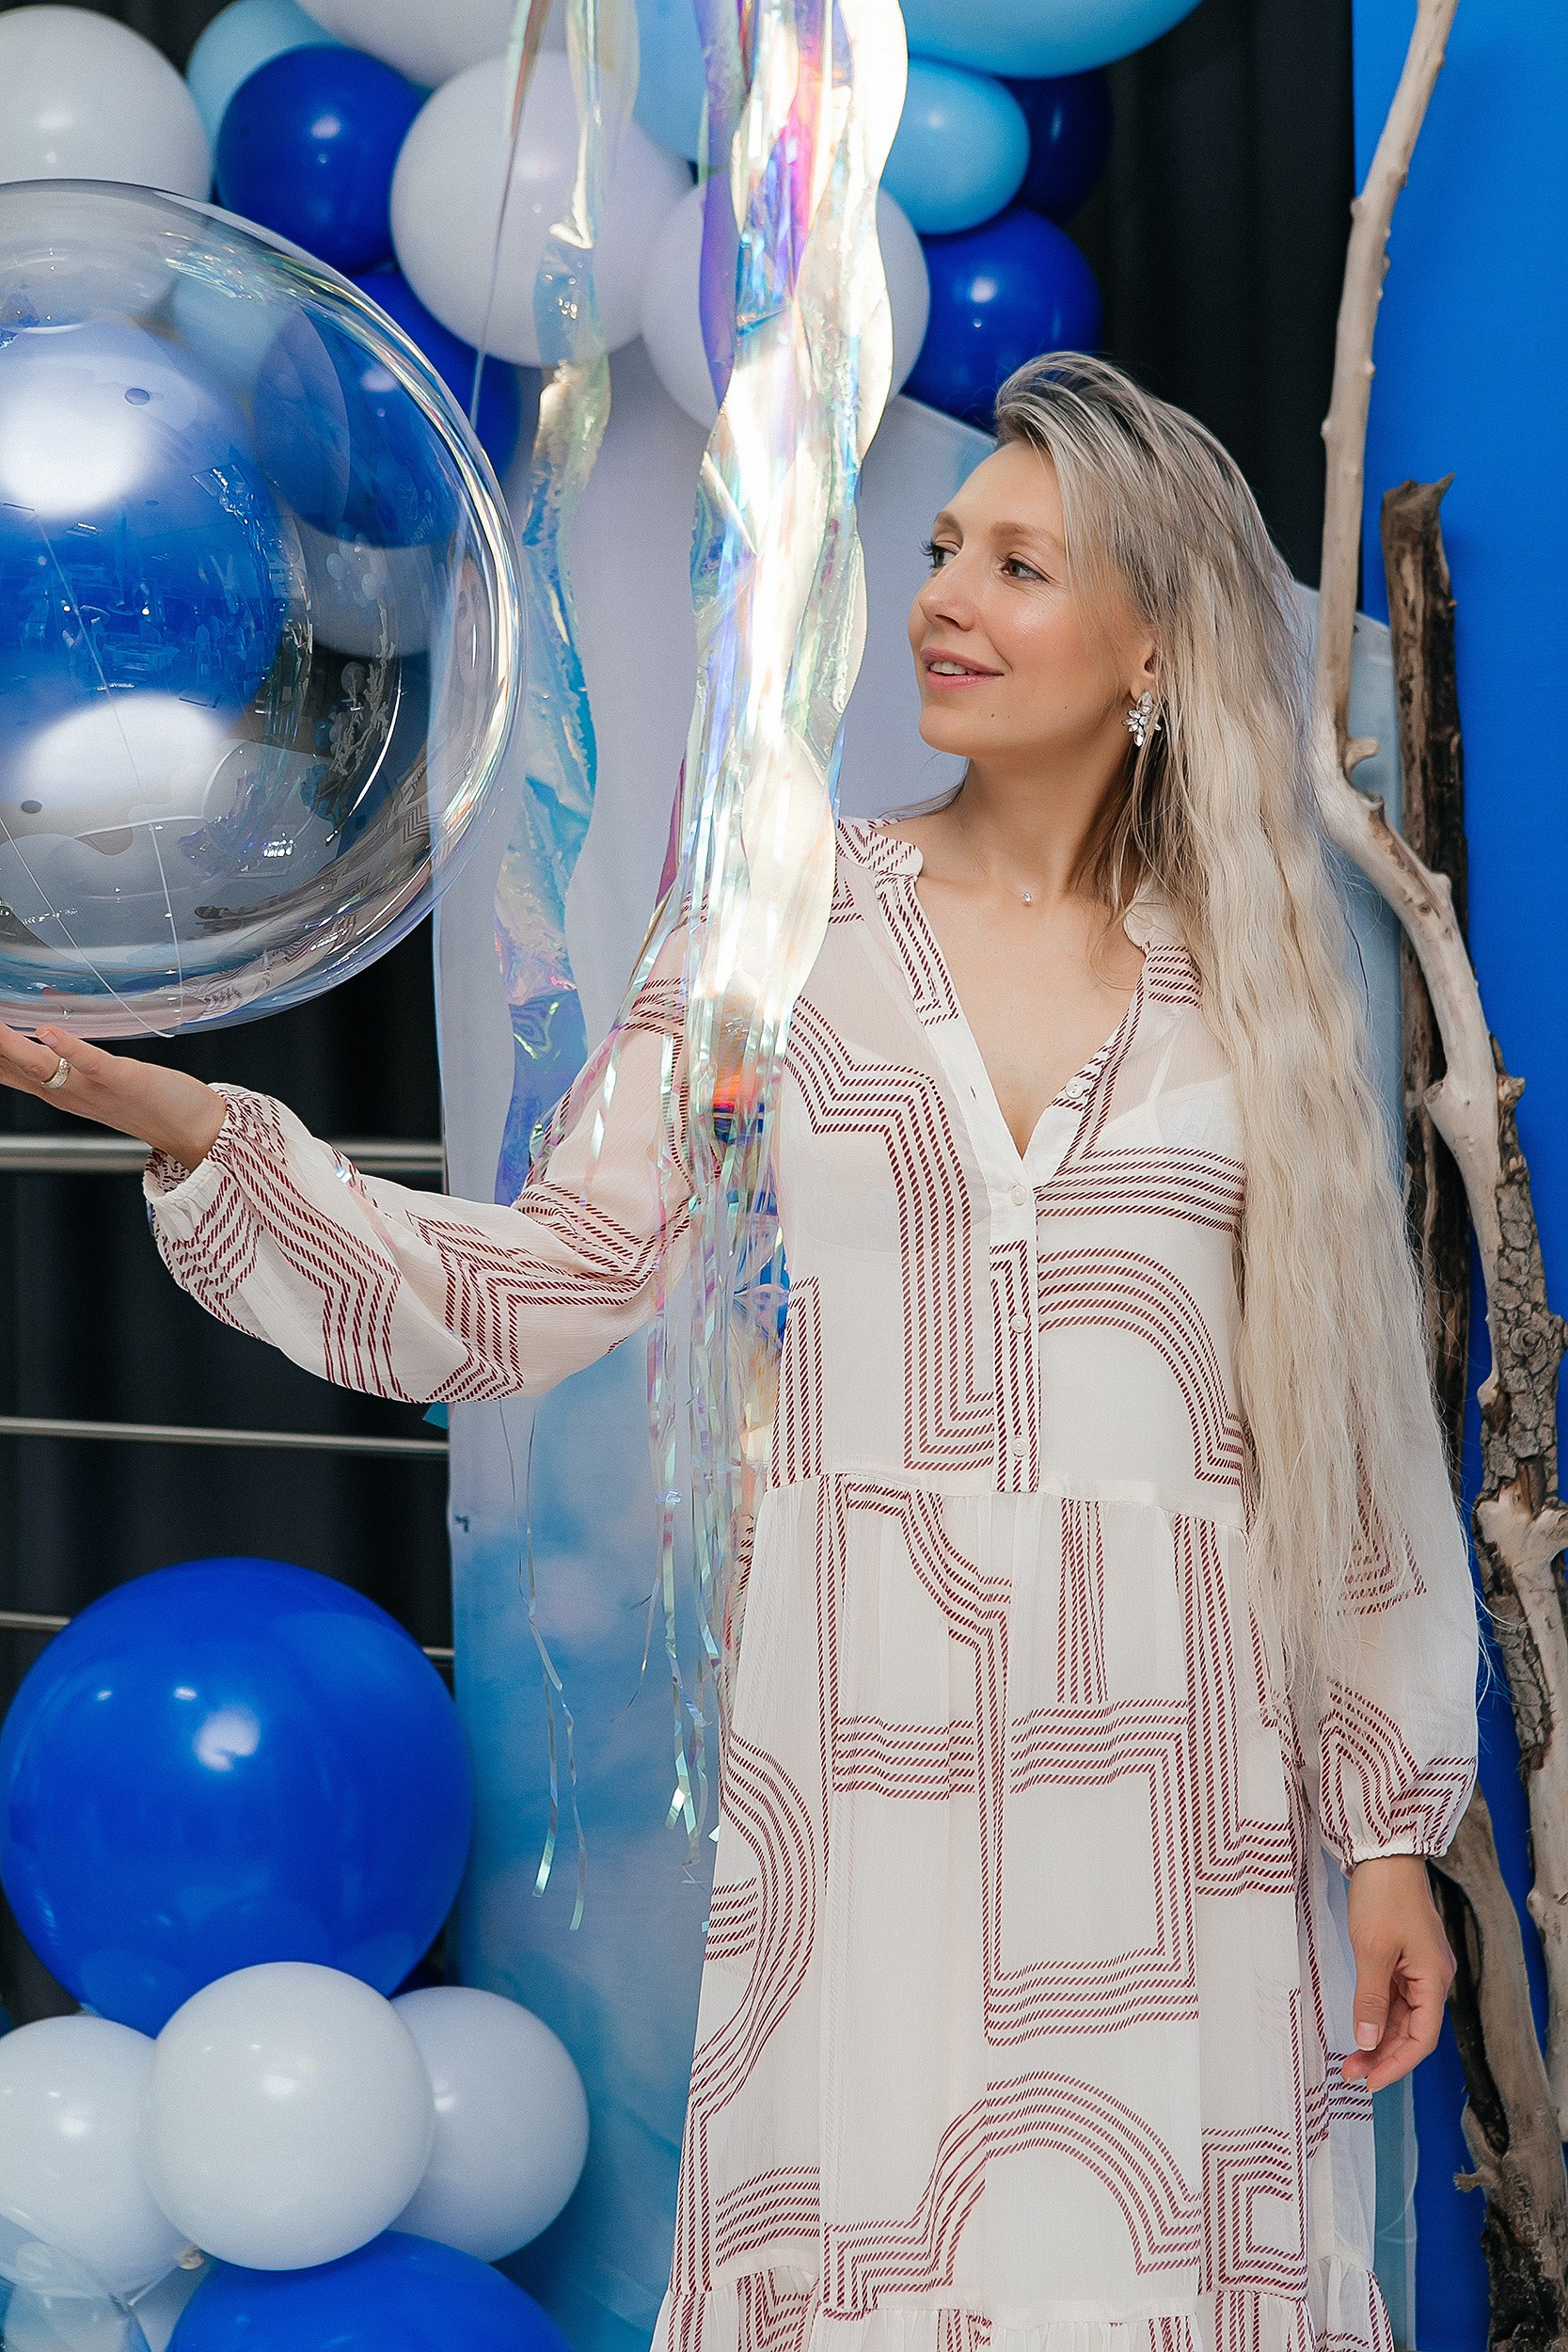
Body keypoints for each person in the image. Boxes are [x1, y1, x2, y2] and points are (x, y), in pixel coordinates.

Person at [0, 353, 1477, 2352]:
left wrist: (1389, 1834)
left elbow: (1344, 1437)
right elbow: (543, 1280)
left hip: (1184, 1760)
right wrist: (209, 1137)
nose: (944, 597)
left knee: (1163, 2270)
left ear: (1154, 646)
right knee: (880, 2261)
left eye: (1020, 565)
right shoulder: (775, 928)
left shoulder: (1262, 984)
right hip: (878, 1730)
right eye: (944, 549)